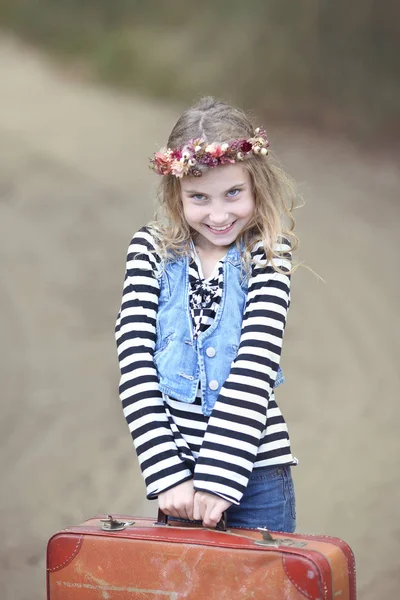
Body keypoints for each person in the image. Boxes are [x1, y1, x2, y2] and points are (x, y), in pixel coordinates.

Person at [115, 96, 298, 532]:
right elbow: (134, 362)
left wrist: (219, 478)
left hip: (257, 474)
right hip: (177, 478)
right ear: (176, 194)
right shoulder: (151, 251)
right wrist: (167, 473)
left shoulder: (268, 254)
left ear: (257, 185)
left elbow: (255, 363)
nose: (219, 215)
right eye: (199, 197)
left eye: (233, 193)